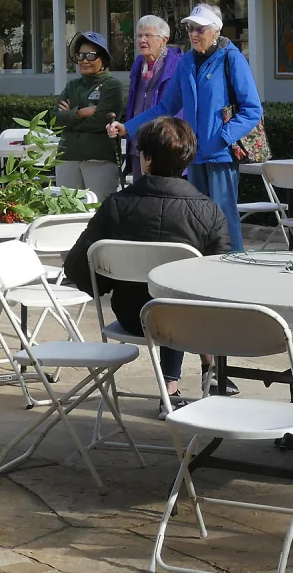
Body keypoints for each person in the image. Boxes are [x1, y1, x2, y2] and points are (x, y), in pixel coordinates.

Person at [63, 117, 231, 412]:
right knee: (183, 301)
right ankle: (193, 377)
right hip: (190, 323)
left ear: (147, 158)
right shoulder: (210, 211)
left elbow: (77, 266)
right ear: (188, 160)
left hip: (133, 317)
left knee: (164, 303)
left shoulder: (116, 205)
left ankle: (175, 385)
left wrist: (107, 282)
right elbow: (221, 281)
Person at [110, 3, 262, 252]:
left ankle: (234, 268)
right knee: (196, 218)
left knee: (223, 218)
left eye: (200, 29)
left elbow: (252, 109)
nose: (194, 34)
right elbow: (165, 107)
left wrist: (222, 137)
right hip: (193, 156)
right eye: (191, 28)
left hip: (220, 155)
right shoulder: (187, 62)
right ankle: (200, 269)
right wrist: (128, 127)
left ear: (215, 31)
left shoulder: (231, 57)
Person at [55, 31, 127, 203]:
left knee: (99, 214)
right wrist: (81, 112)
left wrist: (70, 118)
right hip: (67, 158)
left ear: (103, 59)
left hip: (100, 160)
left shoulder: (112, 86)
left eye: (90, 55)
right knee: (66, 215)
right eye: (80, 55)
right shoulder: (72, 86)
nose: (84, 60)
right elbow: (55, 120)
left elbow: (102, 121)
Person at [124, 15, 182, 178]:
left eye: (148, 35)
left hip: (165, 145)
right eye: (139, 35)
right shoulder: (138, 64)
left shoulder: (177, 65)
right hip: (138, 143)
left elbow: (173, 108)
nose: (142, 40)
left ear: (164, 39)